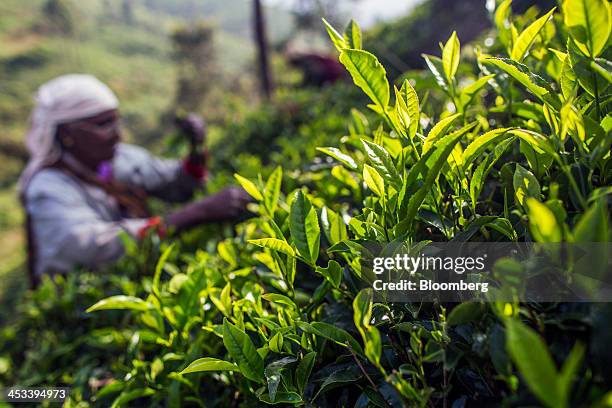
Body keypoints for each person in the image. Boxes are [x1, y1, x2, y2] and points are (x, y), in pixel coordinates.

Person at [19, 74, 251, 288]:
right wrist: (191, 216)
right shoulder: (48, 187)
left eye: (116, 122)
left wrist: (196, 149)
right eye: (103, 125)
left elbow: (175, 184)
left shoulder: (116, 159)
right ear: (65, 134)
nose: (117, 135)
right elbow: (89, 248)